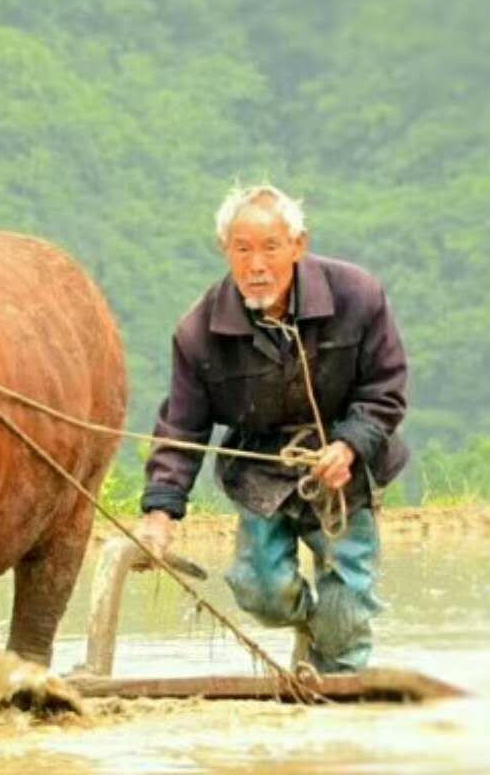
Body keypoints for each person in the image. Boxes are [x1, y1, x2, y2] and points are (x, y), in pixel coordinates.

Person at [135, 183, 409, 672]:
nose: (256, 265)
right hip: (261, 471)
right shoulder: (199, 333)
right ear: (226, 251)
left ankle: (334, 695)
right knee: (260, 593)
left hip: (343, 472)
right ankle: (314, 628)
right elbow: (182, 426)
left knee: (347, 613)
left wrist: (348, 446)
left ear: (298, 246)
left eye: (270, 248)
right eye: (242, 250)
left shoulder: (357, 297)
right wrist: (160, 511)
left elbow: (385, 389)